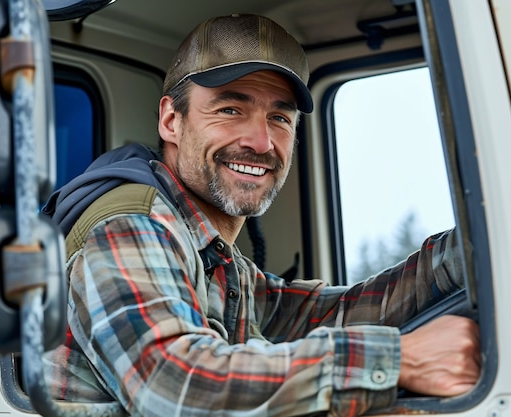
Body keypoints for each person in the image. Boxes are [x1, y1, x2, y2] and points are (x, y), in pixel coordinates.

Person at [42, 13, 480, 416]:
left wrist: (471, 249)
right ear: (171, 120)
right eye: (231, 109)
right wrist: (400, 361)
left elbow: (319, 318)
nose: (261, 141)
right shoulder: (131, 226)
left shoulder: (212, 254)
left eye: (279, 117)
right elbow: (173, 384)